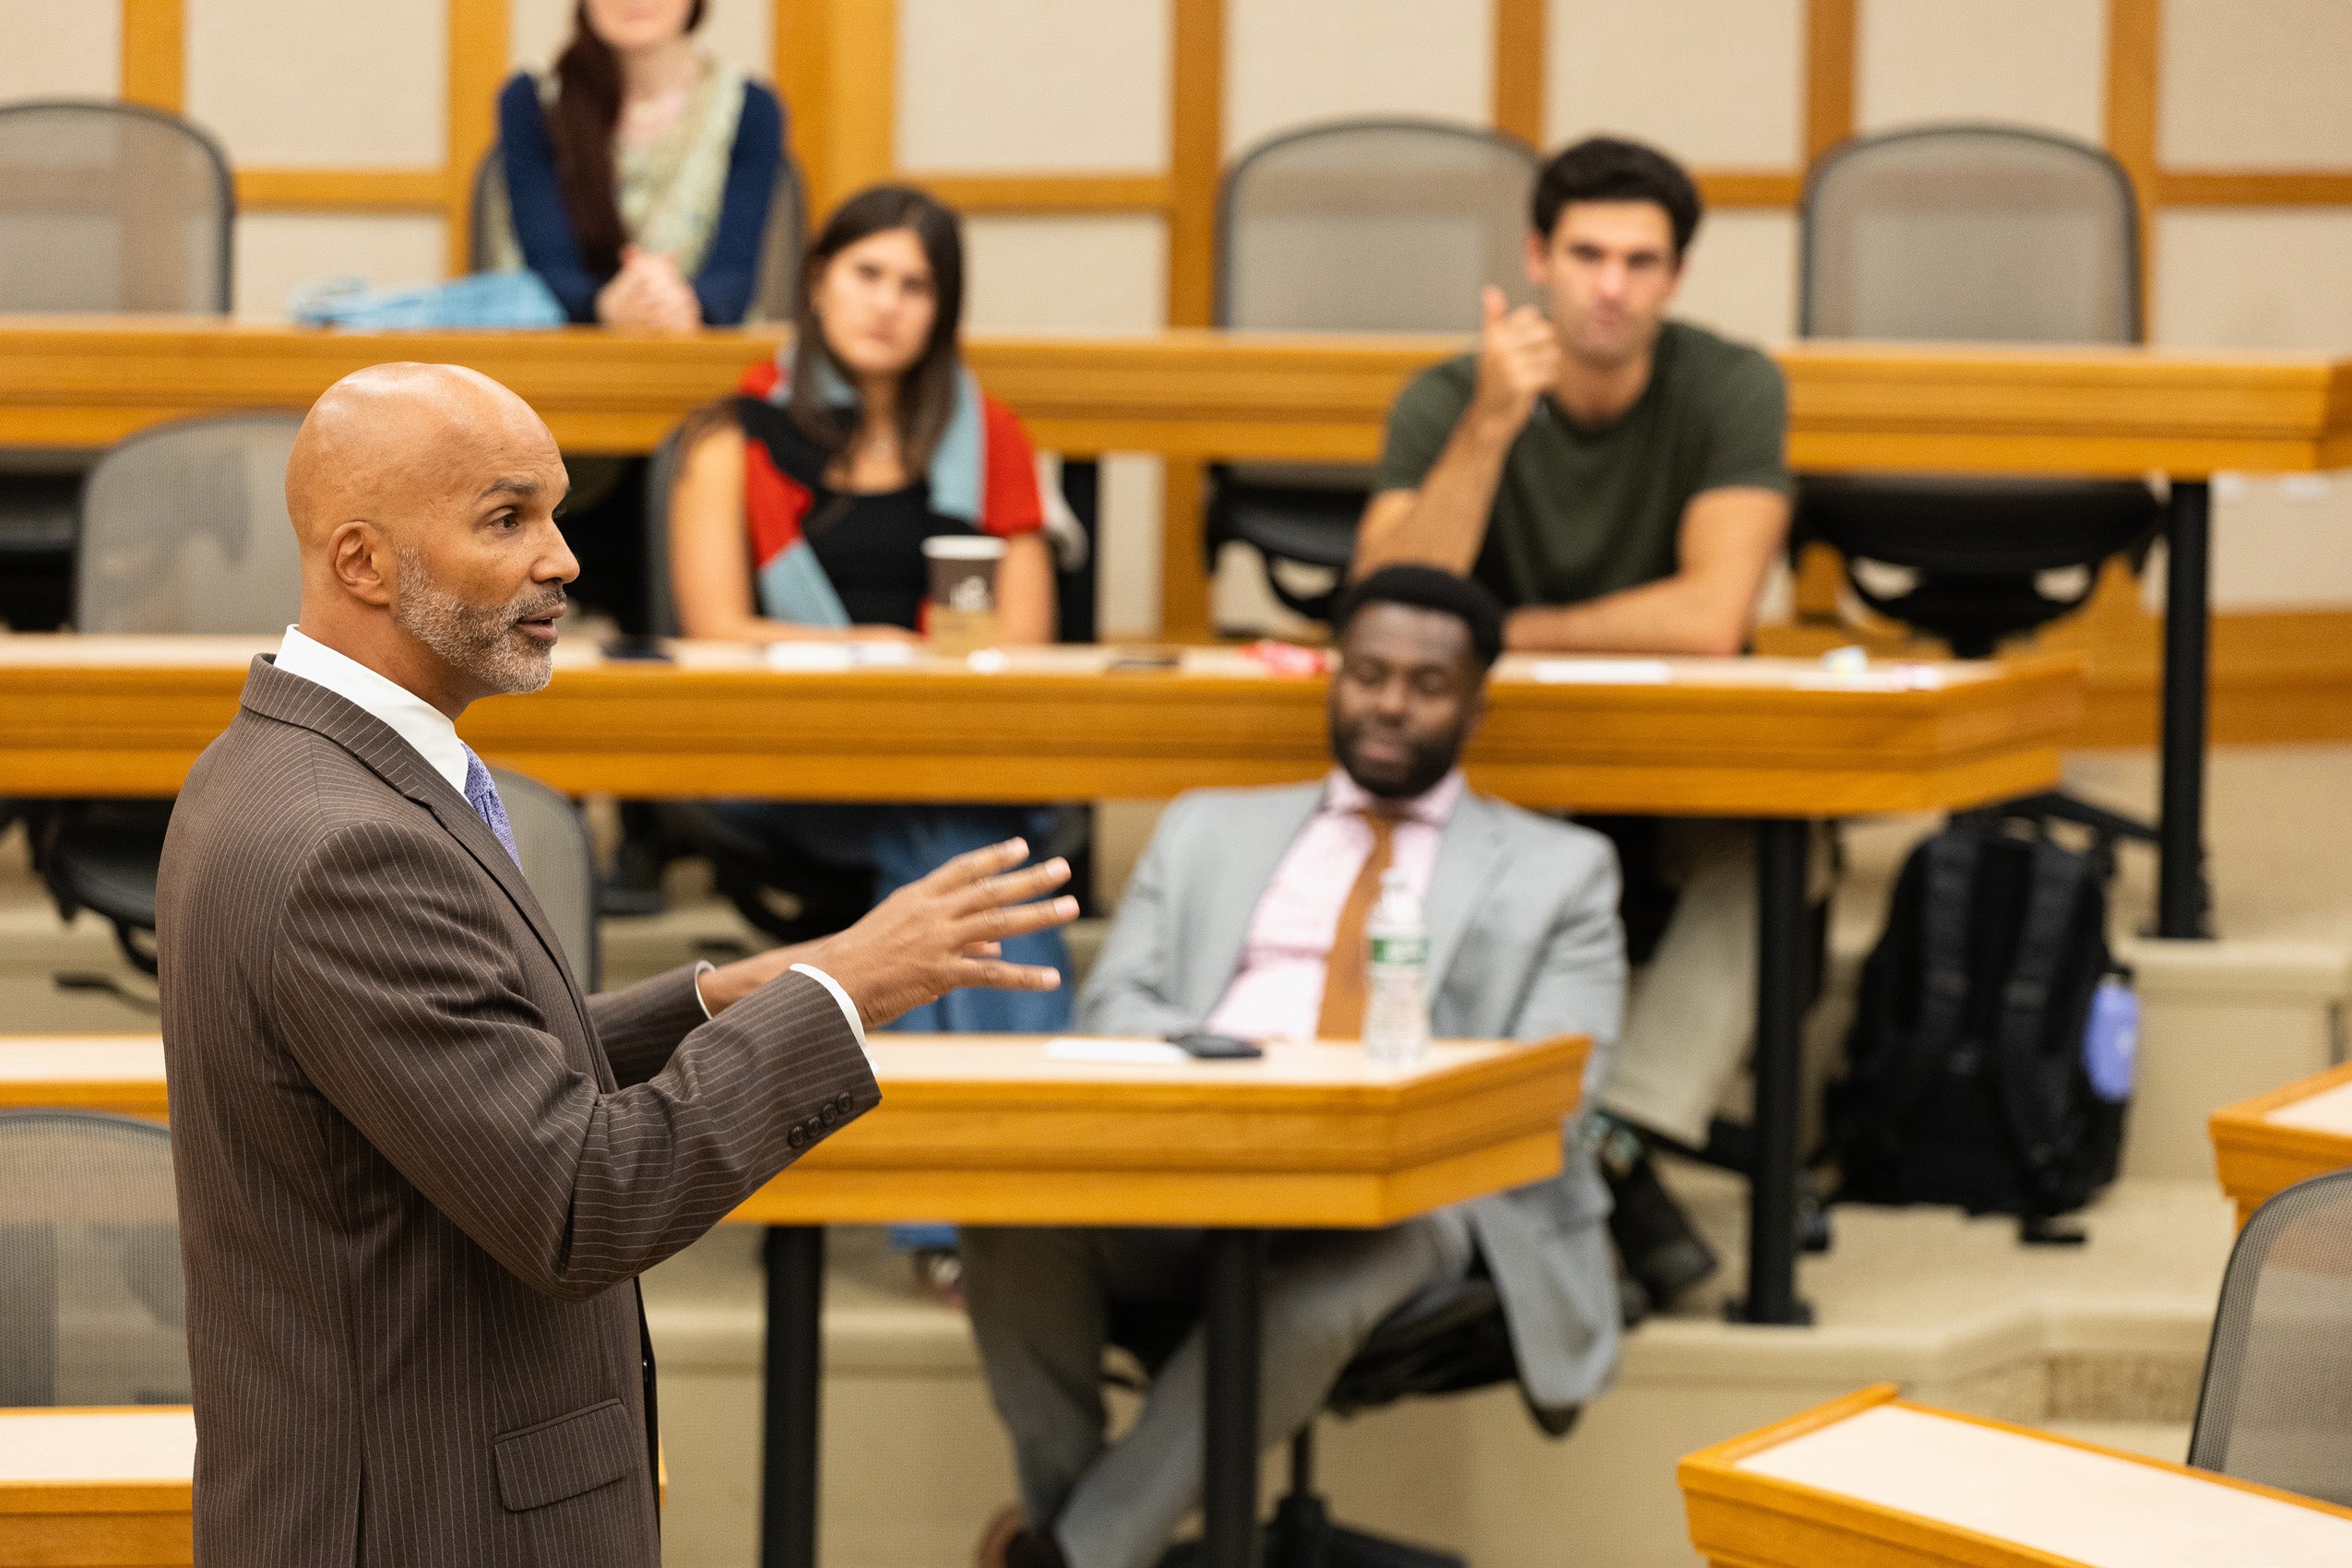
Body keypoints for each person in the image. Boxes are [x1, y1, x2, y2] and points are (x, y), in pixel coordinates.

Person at [154, 362, 1076, 1567]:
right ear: (363, 565)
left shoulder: (274, 764)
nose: (564, 560)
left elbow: (461, 1068)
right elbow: (583, 1202)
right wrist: (837, 996)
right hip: (430, 1527)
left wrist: (707, 999)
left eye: (555, 510)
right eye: (506, 518)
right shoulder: (347, 845)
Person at [960, 566, 1625, 1568]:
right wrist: (1239, 1083)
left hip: (1417, 1196)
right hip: (1193, 1159)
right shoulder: (1205, 827)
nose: (1391, 701)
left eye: (1426, 682)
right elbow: (1120, 1009)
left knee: (1340, 1268)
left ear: (1475, 702)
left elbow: (1554, 1089)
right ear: (1334, 678)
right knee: (1009, 1215)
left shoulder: (1562, 868)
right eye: (1367, 673)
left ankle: (1070, 1555)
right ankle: (1084, 1527)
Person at [1351, 136, 1798, 1308]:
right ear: (1537, 257)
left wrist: (1502, 630)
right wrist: (1495, 425)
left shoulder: (1733, 383)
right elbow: (1391, 607)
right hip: (1509, 763)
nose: (1611, 285)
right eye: (1589, 254)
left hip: (1687, 761)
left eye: (1641, 261)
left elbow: (1711, 615)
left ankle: (1612, 1127)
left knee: (1771, 860)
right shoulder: (1454, 395)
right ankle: (1608, 1157)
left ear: (1676, 277)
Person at [666, 184, 1071, 1033]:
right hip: (787, 752)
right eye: (867, 272)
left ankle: (923, 1115)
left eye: (915, 286)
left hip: (952, 744)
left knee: (943, 819)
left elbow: (1026, 637)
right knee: (963, 842)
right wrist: (877, 648)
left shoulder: (992, 437)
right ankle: (1008, 1111)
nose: (886, 303)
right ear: (817, 281)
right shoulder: (730, 441)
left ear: (942, 311)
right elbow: (716, 635)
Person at [491, 0, 782, 330]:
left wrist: (679, 305)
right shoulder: (533, 98)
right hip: (562, 350)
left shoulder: (749, 106)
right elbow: (547, 267)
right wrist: (606, 303)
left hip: (700, 347)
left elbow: (734, 274)